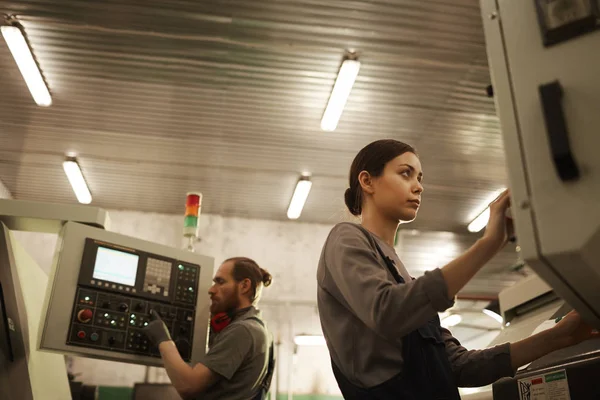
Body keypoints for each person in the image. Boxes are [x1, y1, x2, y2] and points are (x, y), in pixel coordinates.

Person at [316, 139, 599, 399]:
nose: (418, 186)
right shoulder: (345, 239)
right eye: (405, 173)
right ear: (367, 181)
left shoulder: (405, 283)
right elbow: (388, 311)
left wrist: (561, 336)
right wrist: (488, 245)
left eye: (420, 178)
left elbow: (461, 367)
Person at [144, 257, 275, 400]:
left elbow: (189, 386)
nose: (211, 290)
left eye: (220, 282)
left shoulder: (242, 330)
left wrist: (163, 340)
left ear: (244, 286)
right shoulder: (261, 330)